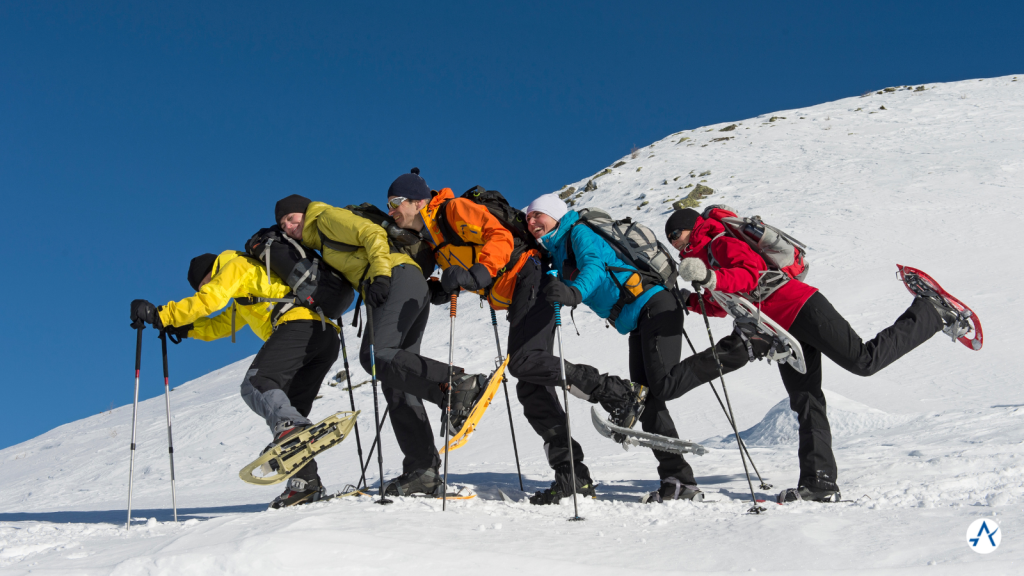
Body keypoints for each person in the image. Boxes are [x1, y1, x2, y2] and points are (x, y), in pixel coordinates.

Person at [666, 206, 967, 503]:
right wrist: (690, 300)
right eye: (669, 239)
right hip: (779, 330)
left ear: (693, 228)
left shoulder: (721, 242)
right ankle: (819, 483)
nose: (674, 242)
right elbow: (722, 304)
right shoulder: (701, 260)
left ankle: (931, 312)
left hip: (800, 306)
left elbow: (750, 275)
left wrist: (711, 277)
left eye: (676, 234)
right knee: (806, 400)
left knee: (863, 361)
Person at [388, 173, 643, 504]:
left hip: (529, 275)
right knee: (531, 386)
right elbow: (466, 266)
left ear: (418, 201)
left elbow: (499, 237)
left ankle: (618, 392)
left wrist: (478, 274)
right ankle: (572, 477)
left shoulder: (453, 210)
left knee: (524, 362)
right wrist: (445, 286)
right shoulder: (435, 237)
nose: (391, 211)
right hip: (518, 289)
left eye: (396, 203)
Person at [527, 194, 752, 504]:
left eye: (538, 214)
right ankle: (678, 481)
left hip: (655, 305)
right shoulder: (556, 248)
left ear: (555, 214)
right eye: (528, 217)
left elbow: (594, 265)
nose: (532, 221)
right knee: (646, 402)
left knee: (664, 385)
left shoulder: (578, 231)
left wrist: (574, 292)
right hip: (638, 317)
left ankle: (741, 347)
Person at [275, 190, 488, 497]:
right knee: (397, 380)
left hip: (395, 277)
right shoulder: (319, 240)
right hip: (408, 282)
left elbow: (371, 233)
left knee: (376, 356)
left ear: (304, 212)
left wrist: (381, 277)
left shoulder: (324, 217)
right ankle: (422, 471)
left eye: (291, 217)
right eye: (283, 223)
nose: (288, 225)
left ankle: (456, 384)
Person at [129, 250, 341, 508]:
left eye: (204, 284)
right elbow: (219, 325)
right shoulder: (244, 296)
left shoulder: (236, 265)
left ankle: (293, 431)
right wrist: (185, 328)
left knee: (256, 384)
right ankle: (305, 483)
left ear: (211, 272)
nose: (205, 289)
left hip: (300, 327)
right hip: (324, 339)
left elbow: (209, 300)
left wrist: (162, 314)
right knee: (286, 410)